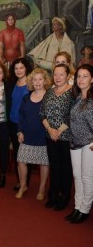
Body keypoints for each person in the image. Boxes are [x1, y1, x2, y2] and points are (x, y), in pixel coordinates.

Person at [40, 64, 74, 211]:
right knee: (54, 167)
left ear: (67, 76)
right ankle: (53, 195)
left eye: (61, 74)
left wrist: (58, 131)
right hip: (50, 136)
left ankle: (64, 197)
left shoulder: (73, 93)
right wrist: (49, 129)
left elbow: (72, 115)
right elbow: (42, 113)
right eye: (56, 74)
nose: (58, 77)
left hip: (65, 137)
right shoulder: (49, 92)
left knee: (66, 168)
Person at [15, 68, 51, 200]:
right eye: (34, 79)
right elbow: (21, 116)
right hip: (27, 135)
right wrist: (20, 131)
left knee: (44, 163)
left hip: (43, 136)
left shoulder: (49, 96)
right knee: (21, 161)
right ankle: (23, 186)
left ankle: (41, 189)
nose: (37, 82)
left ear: (45, 81)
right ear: (31, 81)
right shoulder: (26, 97)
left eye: (40, 79)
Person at [67, 64, 93, 223]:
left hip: (89, 144)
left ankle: (85, 209)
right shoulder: (77, 98)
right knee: (77, 175)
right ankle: (78, 206)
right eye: (79, 76)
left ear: (92, 79)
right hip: (75, 142)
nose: (81, 79)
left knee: (87, 177)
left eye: (85, 76)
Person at [7, 58, 33, 191]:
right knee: (17, 153)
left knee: (25, 155)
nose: (18, 71)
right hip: (12, 123)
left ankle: (25, 182)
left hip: (25, 125)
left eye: (21, 68)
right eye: (16, 68)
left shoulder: (31, 85)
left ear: (26, 69)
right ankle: (20, 180)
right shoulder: (12, 83)